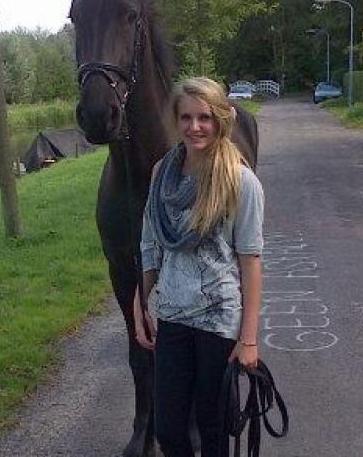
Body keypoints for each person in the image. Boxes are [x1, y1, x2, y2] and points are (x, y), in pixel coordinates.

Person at [133, 77, 264, 457]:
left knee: (214, 432)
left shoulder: (240, 181)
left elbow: (251, 261)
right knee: (170, 431)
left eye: (204, 117)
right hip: (172, 318)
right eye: (186, 117)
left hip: (219, 324)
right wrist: (141, 304)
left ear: (220, 119)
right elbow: (149, 243)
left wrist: (249, 339)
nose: (195, 127)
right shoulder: (162, 174)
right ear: (176, 120)